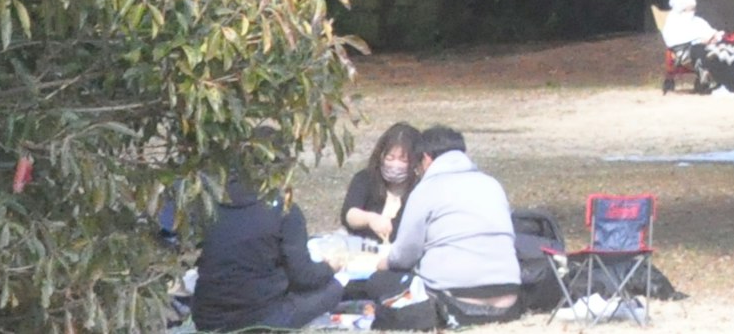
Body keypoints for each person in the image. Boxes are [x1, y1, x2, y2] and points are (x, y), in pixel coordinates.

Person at [366, 126, 524, 326]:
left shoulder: (426, 190)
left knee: (378, 282)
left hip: (455, 299)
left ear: (426, 158)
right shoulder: (492, 184)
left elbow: (405, 256)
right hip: (508, 299)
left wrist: (384, 263)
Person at [192, 175, 340, 331]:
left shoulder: (205, 203)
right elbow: (303, 277)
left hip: (208, 319)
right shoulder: (284, 209)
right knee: (334, 288)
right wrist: (329, 267)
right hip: (261, 318)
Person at [341, 121, 421, 244]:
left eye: (403, 160)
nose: (396, 165)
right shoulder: (365, 178)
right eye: (390, 158)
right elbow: (350, 213)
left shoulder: (421, 188)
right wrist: (370, 219)